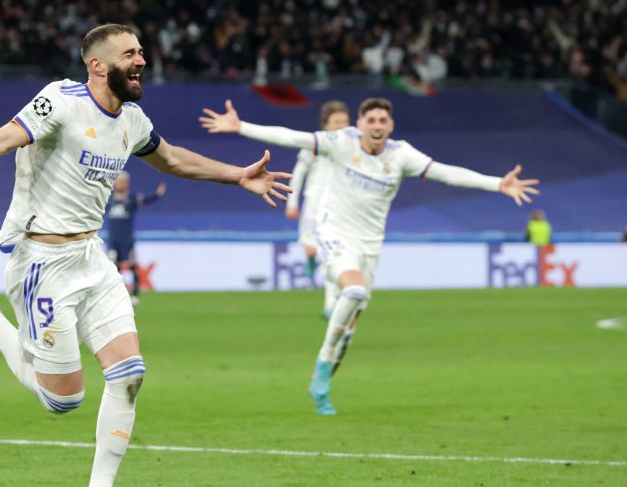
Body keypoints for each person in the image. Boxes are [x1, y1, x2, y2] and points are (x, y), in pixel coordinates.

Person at [0, 23, 290, 487]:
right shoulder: (60, 100)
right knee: (64, 402)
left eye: (142, 51)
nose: (141, 59)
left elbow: (172, 159)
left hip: (92, 260)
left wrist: (237, 175)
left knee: (129, 373)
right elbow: (1, 139)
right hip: (42, 264)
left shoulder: (134, 120)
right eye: (129, 53)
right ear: (98, 64)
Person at [200, 97, 539, 416]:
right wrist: (241, 126)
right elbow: (291, 137)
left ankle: (323, 383)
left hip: (370, 246)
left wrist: (498, 184)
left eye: (383, 120)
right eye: (371, 119)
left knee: (350, 326)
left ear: (390, 125)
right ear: (360, 123)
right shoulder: (341, 142)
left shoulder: (401, 155)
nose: (377, 125)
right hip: (333, 234)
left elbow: (446, 172)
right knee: (355, 291)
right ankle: (320, 366)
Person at [285, 101, 350, 316]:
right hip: (314, 201)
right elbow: (299, 173)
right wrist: (292, 203)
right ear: (326, 124)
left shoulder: (354, 145)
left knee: (332, 254)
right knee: (312, 249)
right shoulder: (314, 143)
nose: (341, 125)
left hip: (340, 205)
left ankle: (330, 305)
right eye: (336, 121)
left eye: (344, 121)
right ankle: (311, 260)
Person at [105, 173, 166, 304]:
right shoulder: (109, 199)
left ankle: (135, 295)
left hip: (127, 240)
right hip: (113, 240)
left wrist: (157, 195)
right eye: (117, 181)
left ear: (127, 184)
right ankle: (115, 294)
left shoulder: (132, 199)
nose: (119, 184)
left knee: (132, 266)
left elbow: (146, 200)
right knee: (113, 268)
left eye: (122, 182)